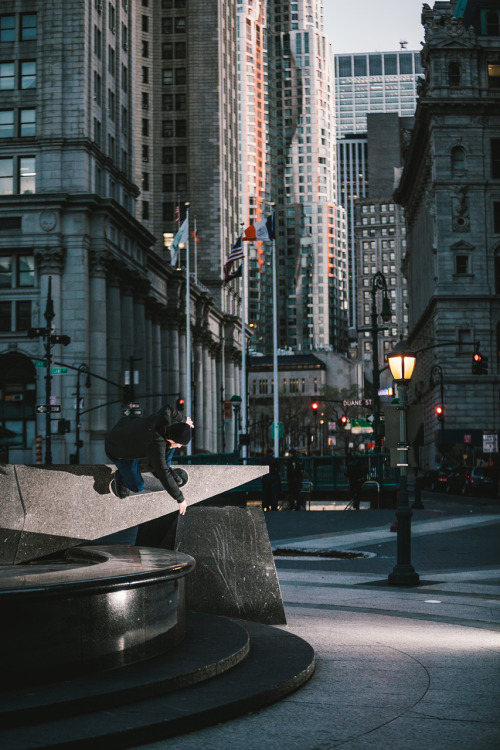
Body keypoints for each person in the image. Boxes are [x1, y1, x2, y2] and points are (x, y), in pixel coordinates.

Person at [105, 403, 194, 514]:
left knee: (170, 448)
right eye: (180, 444)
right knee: (138, 486)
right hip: (118, 450)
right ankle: (120, 478)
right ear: (172, 439)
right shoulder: (157, 446)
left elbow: (169, 408)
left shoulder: (164, 419)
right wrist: (180, 498)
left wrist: (184, 419)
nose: (180, 446)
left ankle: (158, 467)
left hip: (126, 428)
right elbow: (164, 474)